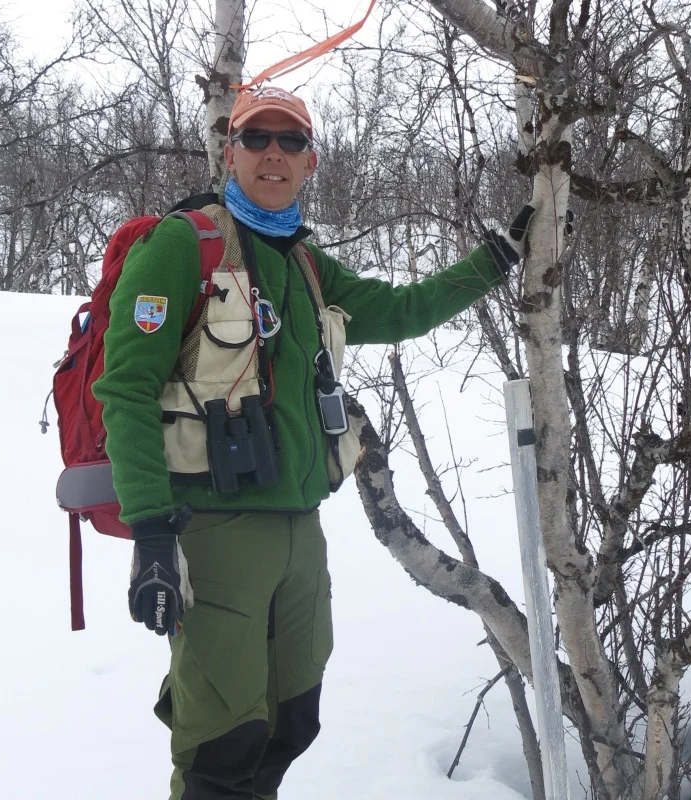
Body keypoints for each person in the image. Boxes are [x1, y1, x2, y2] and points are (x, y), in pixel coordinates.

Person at [92, 85, 536, 800]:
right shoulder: (184, 245)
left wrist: (495, 260)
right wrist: (150, 535)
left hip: (302, 535)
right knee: (218, 744)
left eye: (289, 141)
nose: (273, 153)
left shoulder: (301, 264)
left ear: (311, 162)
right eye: (256, 139)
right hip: (215, 532)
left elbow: (400, 311)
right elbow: (125, 390)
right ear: (229, 153)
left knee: (289, 725)